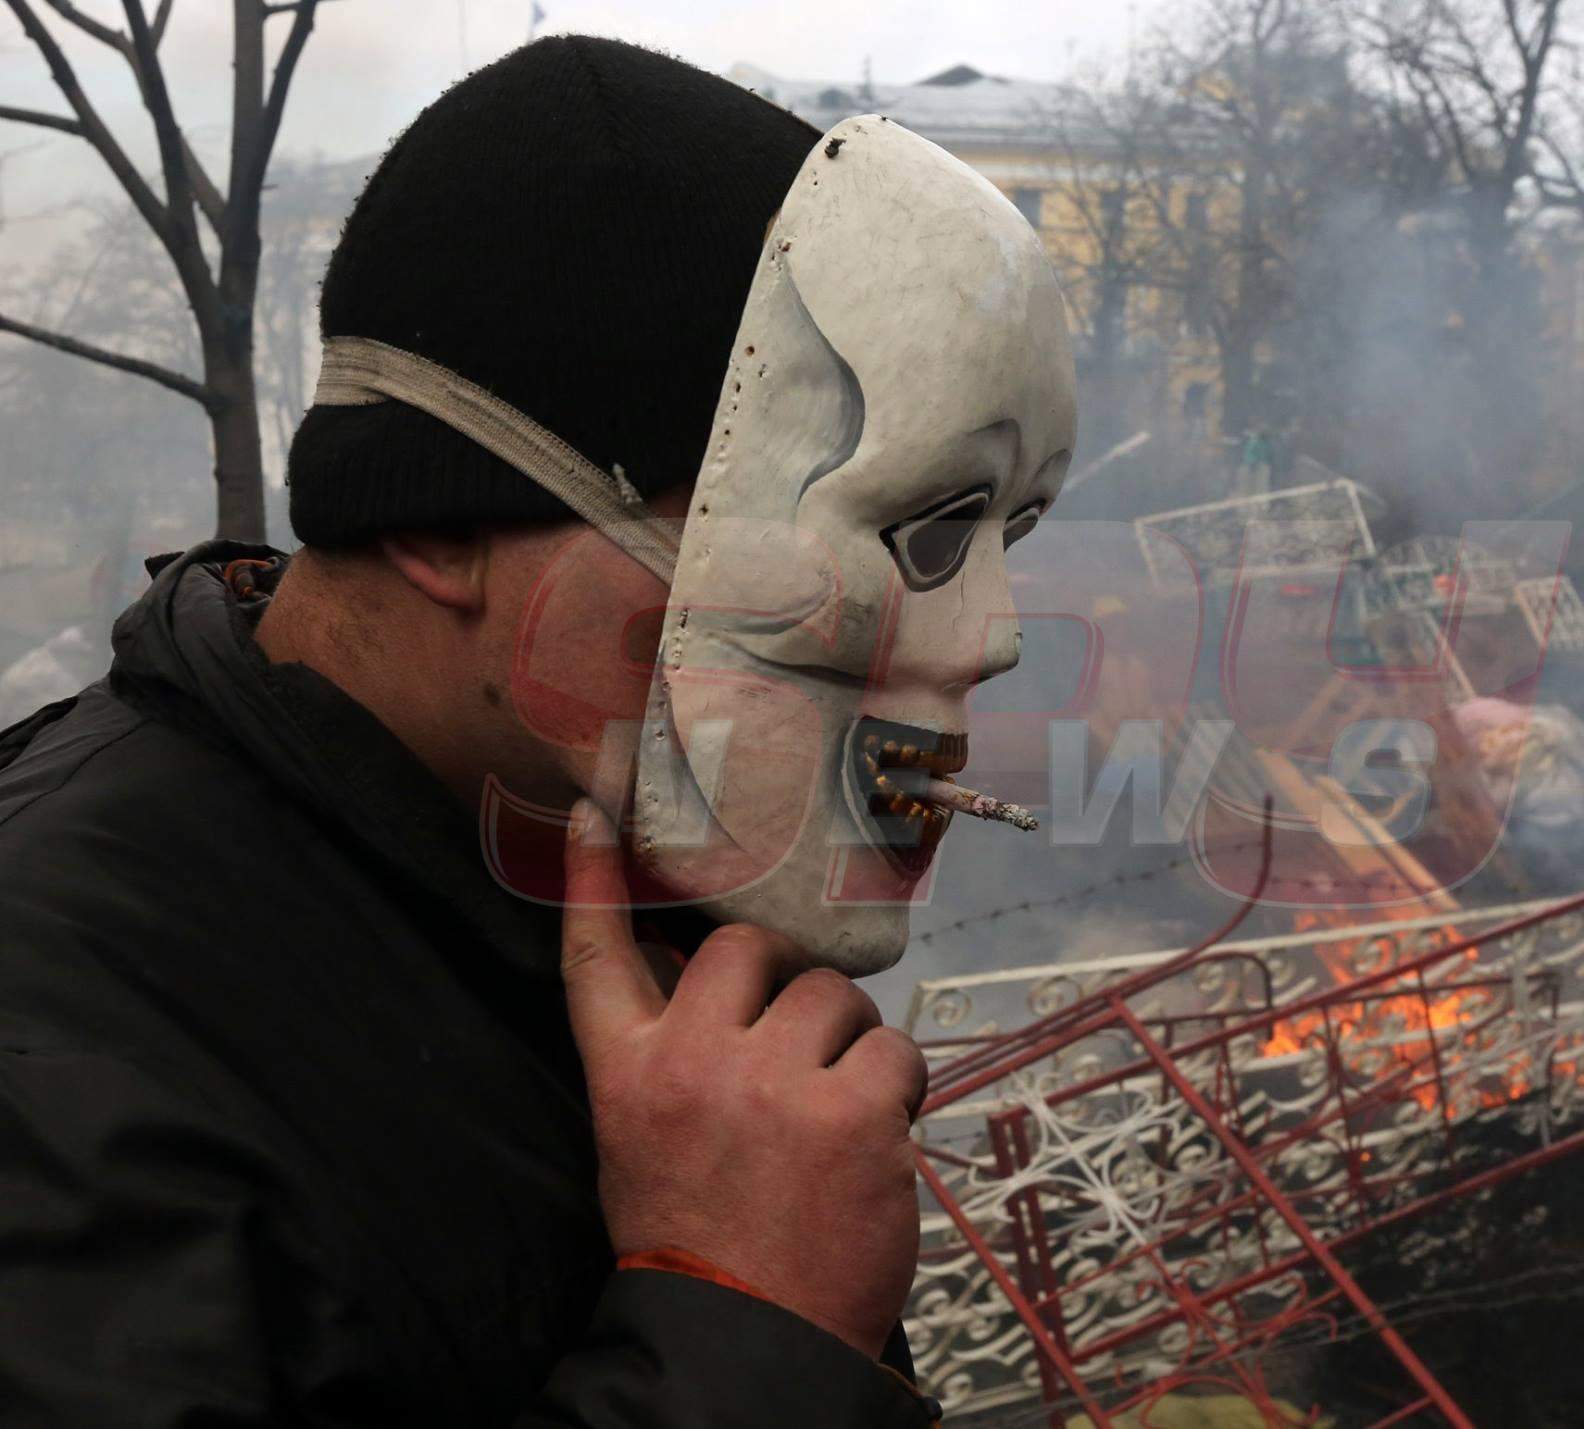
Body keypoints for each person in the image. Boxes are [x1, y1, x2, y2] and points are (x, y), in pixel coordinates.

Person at [0, 36, 1073, 1426]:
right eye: (919, 530)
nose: (990, 632)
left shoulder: (585, 860)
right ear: (446, 519)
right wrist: (742, 1318)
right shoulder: (57, 1068)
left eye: (1009, 531)